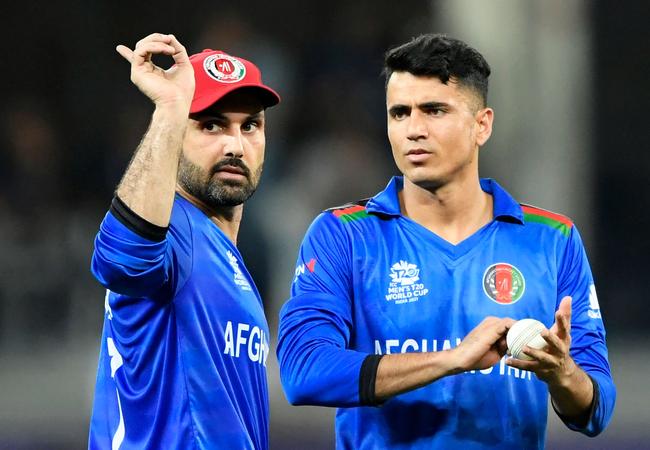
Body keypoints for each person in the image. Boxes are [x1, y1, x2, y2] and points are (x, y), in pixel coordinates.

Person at [277, 34, 615, 449]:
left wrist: (562, 373)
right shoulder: (343, 234)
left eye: (434, 110)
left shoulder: (553, 238)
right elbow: (302, 370)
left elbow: (597, 408)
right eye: (399, 113)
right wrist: (453, 360)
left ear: (482, 125)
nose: (413, 130)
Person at [88, 33, 280, 449]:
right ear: (177, 134)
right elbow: (121, 260)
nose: (235, 144)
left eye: (250, 125)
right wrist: (171, 109)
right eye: (210, 124)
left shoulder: (225, 255)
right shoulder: (173, 230)